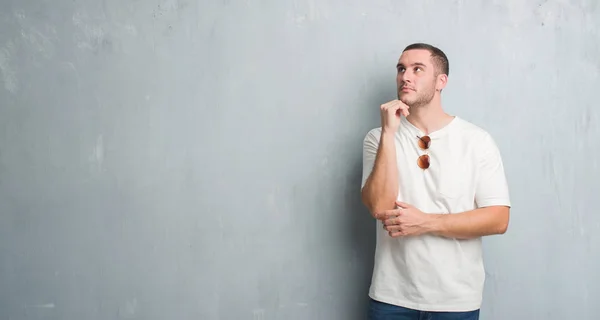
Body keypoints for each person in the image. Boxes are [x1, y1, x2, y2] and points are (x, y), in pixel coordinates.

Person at [360, 43, 511, 320]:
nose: (406, 76)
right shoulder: (378, 138)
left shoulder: (477, 141)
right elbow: (380, 207)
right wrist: (389, 135)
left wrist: (425, 222)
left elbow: (498, 219)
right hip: (391, 298)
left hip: (455, 302)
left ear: (441, 81)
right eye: (401, 69)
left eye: (418, 69)